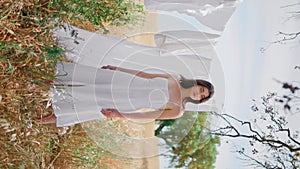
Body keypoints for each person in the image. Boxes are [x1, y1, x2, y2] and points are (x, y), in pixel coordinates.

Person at [39, 64, 214, 126]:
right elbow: (145, 74)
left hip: (128, 101)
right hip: (127, 81)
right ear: (198, 83)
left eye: (201, 96)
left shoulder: (178, 110)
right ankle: (46, 84)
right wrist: (119, 69)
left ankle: (46, 116)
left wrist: (119, 114)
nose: (199, 93)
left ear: (198, 100)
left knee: (92, 105)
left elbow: (148, 115)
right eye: (201, 89)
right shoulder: (175, 78)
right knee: (90, 82)